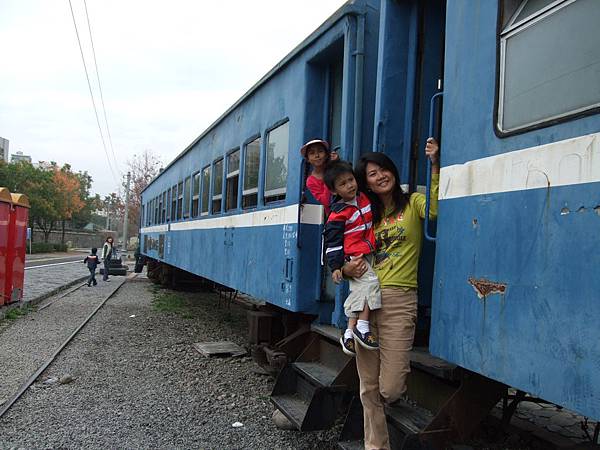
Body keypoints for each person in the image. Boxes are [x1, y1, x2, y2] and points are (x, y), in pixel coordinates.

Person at [343, 138, 439, 450]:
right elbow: (344, 250)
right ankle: (376, 447)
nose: (380, 175)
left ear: (393, 172)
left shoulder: (413, 202)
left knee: (391, 387)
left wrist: (435, 164)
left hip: (399, 301)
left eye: (383, 169)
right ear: (365, 182)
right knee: (367, 387)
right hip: (366, 304)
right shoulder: (366, 215)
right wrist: (344, 270)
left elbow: (437, 210)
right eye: (372, 173)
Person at [322, 160, 381, 356]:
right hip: (353, 255)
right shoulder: (338, 214)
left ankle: (348, 332)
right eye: (343, 184)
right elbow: (332, 243)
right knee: (370, 283)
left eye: (351, 180)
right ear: (334, 191)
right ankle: (362, 326)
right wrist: (336, 266)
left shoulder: (364, 198)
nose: (349, 185)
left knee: (359, 289)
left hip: (365, 251)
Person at [300, 139, 339, 215]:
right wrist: (329, 172)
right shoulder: (311, 181)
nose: (317, 155)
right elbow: (326, 201)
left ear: (326, 154)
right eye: (312, 153)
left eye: (320, 151)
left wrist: (337, 163)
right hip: (335, 215)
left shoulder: (335, 167)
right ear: (307, 159)